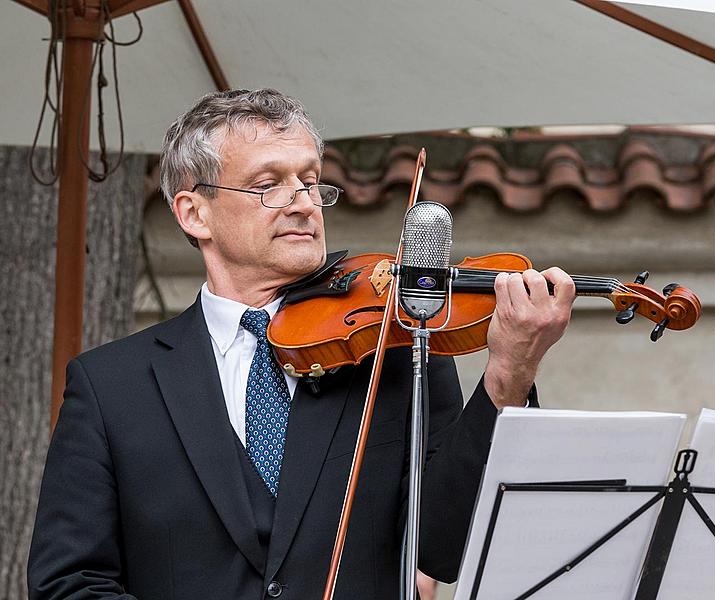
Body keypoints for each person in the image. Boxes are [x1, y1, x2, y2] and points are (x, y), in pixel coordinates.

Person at [28, 89, 575, 600]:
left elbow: (446, 547)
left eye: (310, 182)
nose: (303, 203)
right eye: (268, 184)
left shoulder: (396, 344)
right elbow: (70, 582)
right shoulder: (110, 386)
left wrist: (508, 374)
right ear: (194, 213)